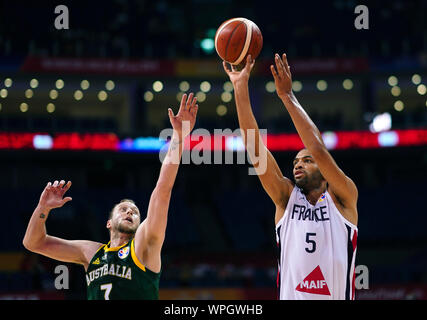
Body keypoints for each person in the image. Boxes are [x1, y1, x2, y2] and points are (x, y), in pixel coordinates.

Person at [23, 93, 199, 300]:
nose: (130, 212)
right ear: (108, 223)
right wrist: (42, 209)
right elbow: (33, 243)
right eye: (123, 209)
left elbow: (162, 191)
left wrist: (178, 137)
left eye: (134, 212)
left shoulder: (144, 245)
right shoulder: (91, 252)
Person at [223, 54, 358, 300]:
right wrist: (240, 87)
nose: (298, 165)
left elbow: (318, 148)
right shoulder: (286, 199)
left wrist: (287, 96)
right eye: (296, 161)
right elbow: (255, 150)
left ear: (325, 171)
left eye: (307, 161)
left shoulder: (344, 198)